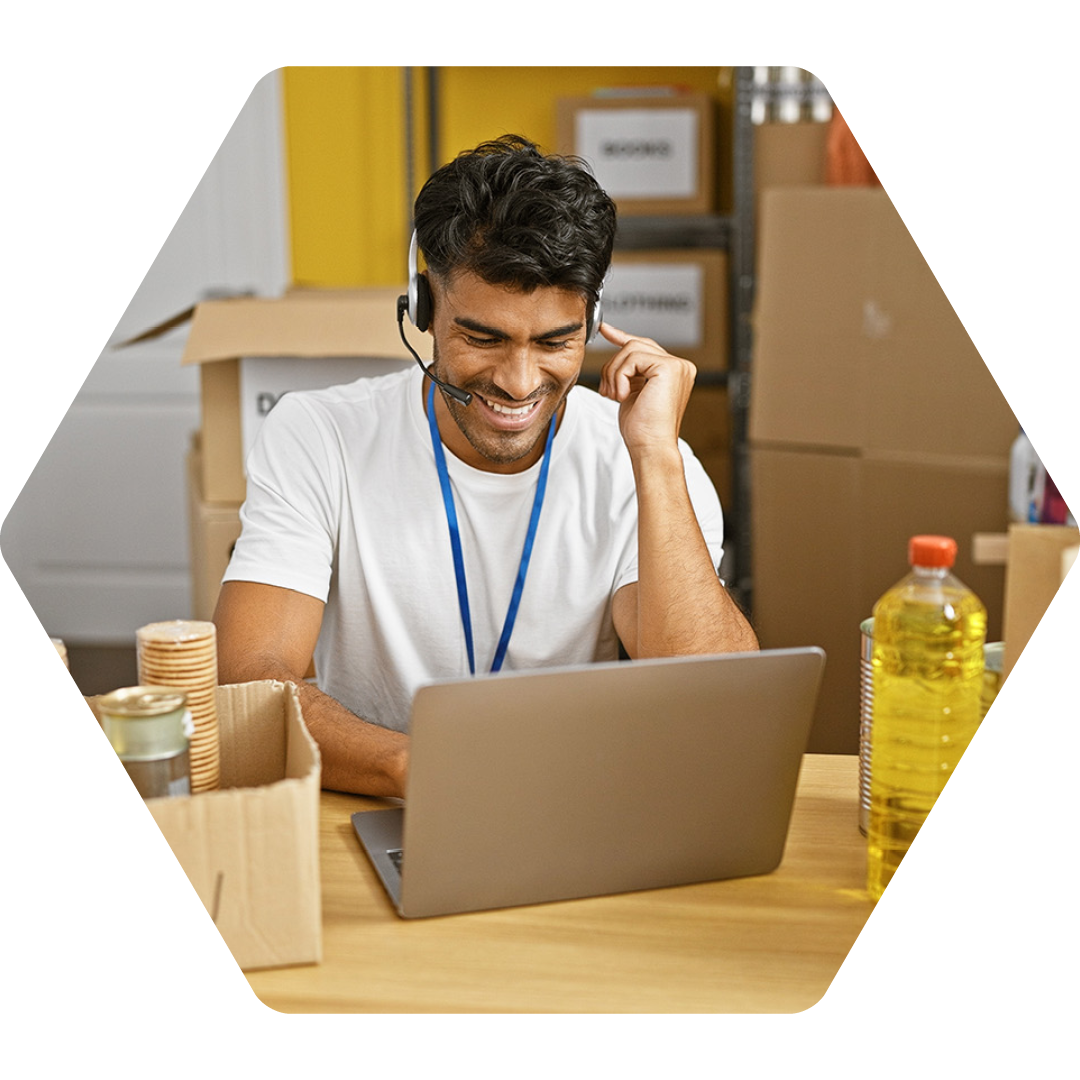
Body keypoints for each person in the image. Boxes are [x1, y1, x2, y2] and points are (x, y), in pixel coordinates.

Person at [214, 135, 758, 799]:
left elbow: (715, 706)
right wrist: (422, 769)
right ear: (423, 308)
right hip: (381, 803)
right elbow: (249, 682)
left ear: (594, 320)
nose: (519, 383)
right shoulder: (319, 436)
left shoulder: (647, 461)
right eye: (484, 338)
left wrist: (654, 458)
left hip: (576, 807)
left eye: (556, 341)